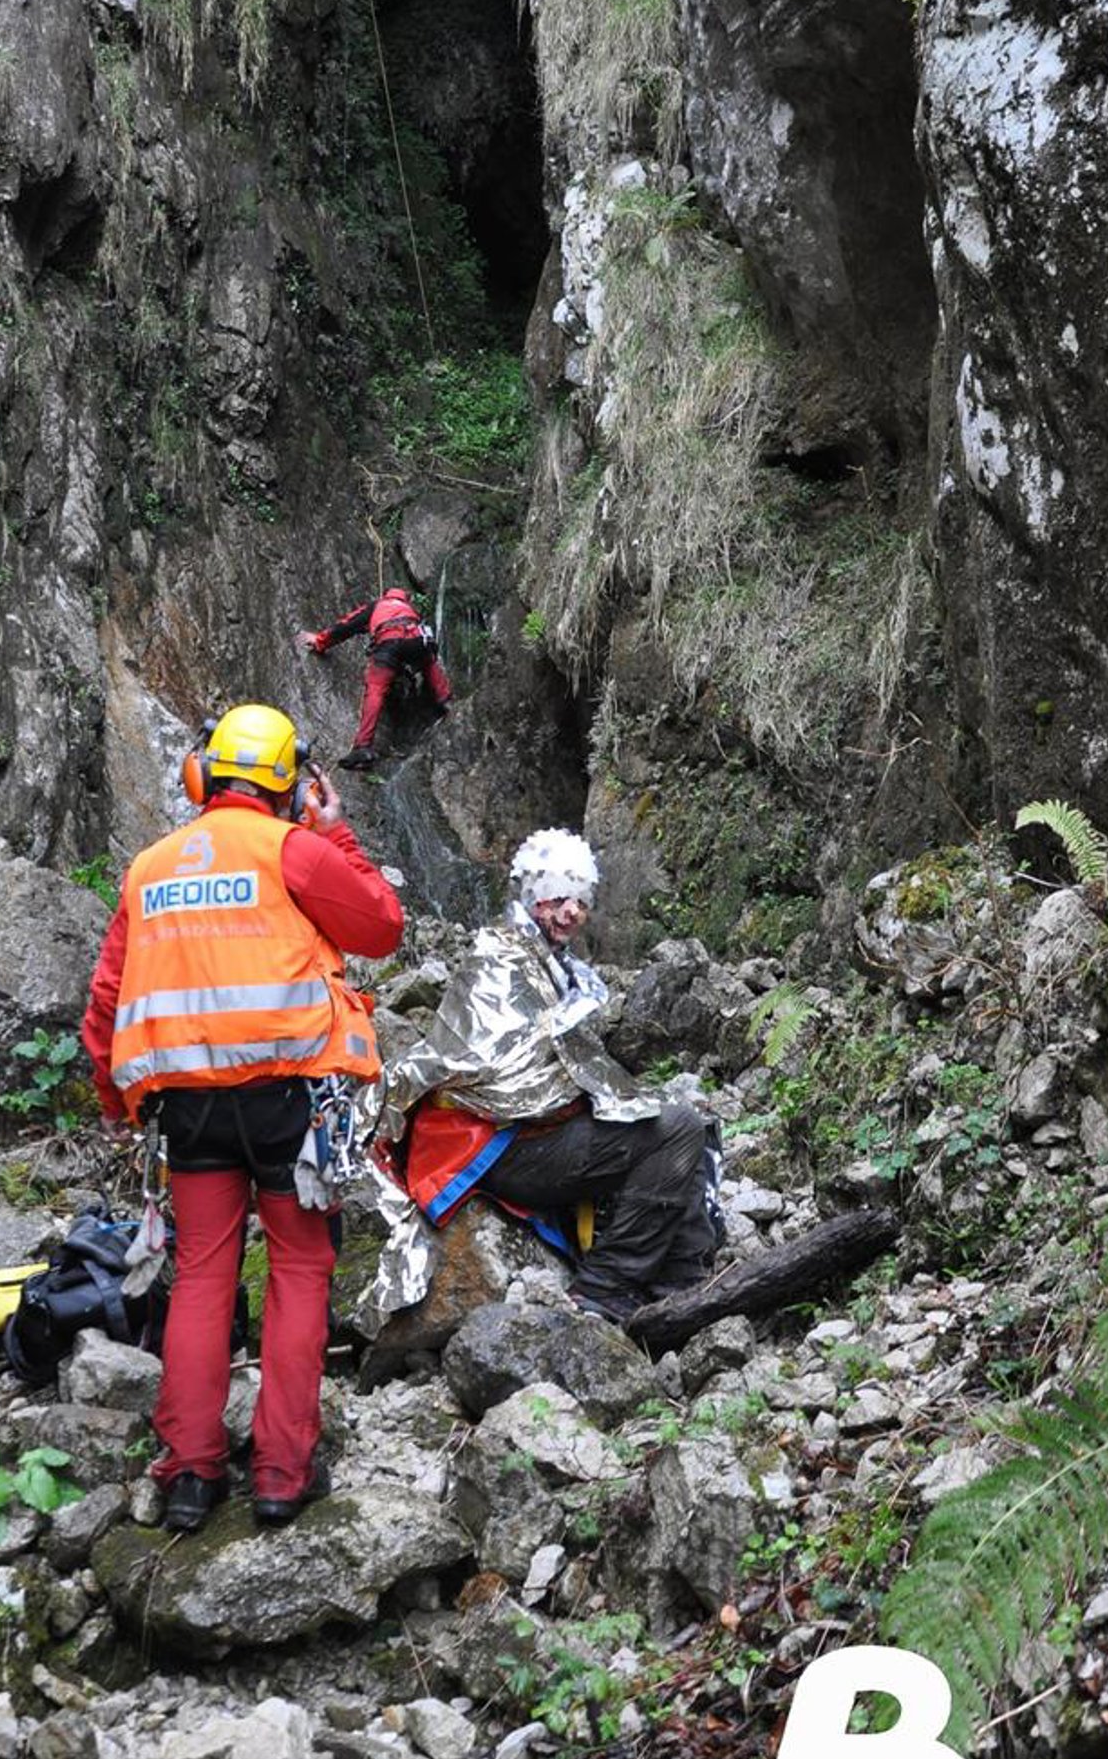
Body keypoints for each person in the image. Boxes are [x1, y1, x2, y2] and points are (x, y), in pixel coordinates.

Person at [80, 702, 404, 1532]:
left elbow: (107, 998)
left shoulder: (150, 868)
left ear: (203, 776)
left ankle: (190, 1474)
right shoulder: (293, 848)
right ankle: (281, 1474)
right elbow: (381, 926)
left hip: (188, 1110)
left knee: (200, 1275)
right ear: (292, 786)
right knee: (298, 1266)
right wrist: (335, 833)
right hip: (288, 1104)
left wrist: (117, 1100)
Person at [390, 829, 720, 1325]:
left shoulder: (553, 965)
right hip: (495, 1144)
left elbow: (566, 1064)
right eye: (558, 898)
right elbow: (503, 1068)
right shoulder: (499, 956)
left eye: (581, 902)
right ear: (532, 895)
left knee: (683, 1124)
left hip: (533, 1134)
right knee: (677, 1130)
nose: (571, 912)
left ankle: (685, 1282)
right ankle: (607, 1284)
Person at [297, 583, 453, 770]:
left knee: (375, 690)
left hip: (389, 642)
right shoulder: (410, 610)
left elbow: (347, 625)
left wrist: (320, 642)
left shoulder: (378, 605)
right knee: (428, 660)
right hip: (417, 639)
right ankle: (445, 700)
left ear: (386, 595)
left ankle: (362, 747)